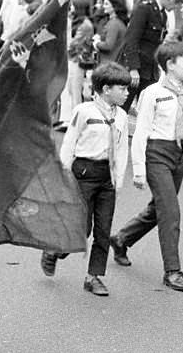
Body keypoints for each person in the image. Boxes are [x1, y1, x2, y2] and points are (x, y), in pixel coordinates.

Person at [110, 41, 183, 291]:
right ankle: (173, 271)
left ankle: (122, 238)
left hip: (179, 154)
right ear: (169, 65)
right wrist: (139, 169)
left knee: (160, 208)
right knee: (171, 211)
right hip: (157, 153)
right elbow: (141, 132)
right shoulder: (152, 93)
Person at [41, 62, 131, 297]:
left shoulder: (121, 116)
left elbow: (121, 149)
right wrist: (62, 174)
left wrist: (118, 179)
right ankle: (54, 250)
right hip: (83, 173)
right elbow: (69, 143)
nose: (127, 93)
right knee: (82, 228)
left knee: (103, 229)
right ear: (105, 89)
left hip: (107, 176)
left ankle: (94, 277)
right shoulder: (84, 111)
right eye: (122, 89)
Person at [119, 0, 180, 110]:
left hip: (149, 71)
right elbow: (131, 39)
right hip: (136, 68)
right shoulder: (144, 9)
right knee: (122, 107)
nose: (175, 7)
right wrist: (133, 68)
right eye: (174, 2)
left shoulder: (162, 14)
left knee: (146, 110)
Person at [94, 0, 128, 64]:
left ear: (114, 6)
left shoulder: (114, 24)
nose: (103, 6)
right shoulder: (118, 22)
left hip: (109, 64)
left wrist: (96, 43)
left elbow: (108, 45)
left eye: (106, 4)